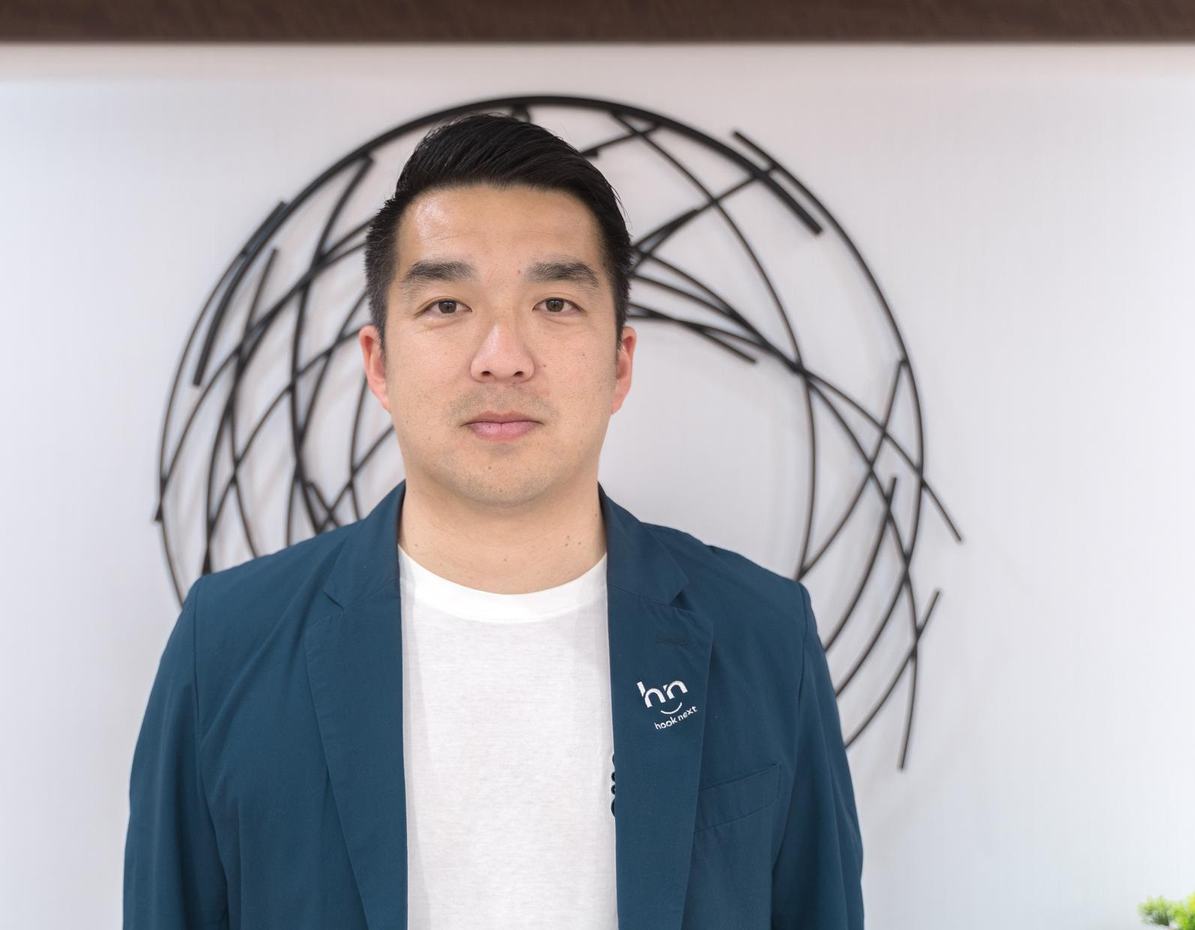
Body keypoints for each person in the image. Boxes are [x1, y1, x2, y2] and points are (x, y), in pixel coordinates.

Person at [123, 113, 864, 930]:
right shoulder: (228, 642)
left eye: (555, 302)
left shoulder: (763, 636)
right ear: (379, 363)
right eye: (447, 303)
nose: (502, 356)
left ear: (620, 363)